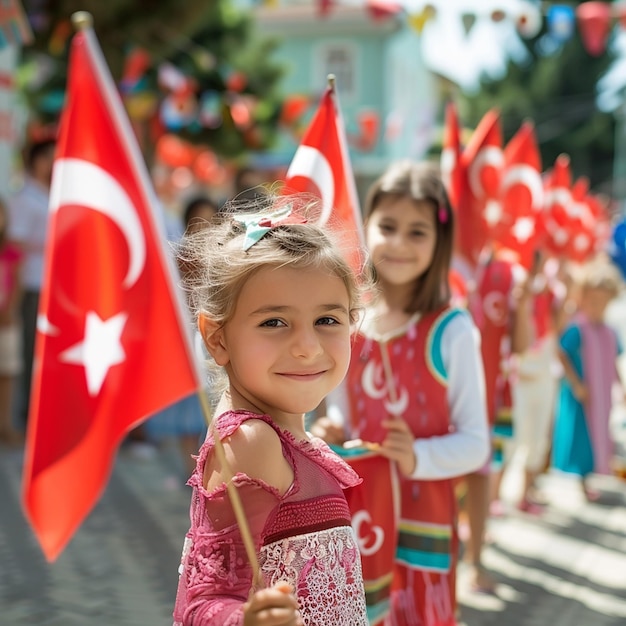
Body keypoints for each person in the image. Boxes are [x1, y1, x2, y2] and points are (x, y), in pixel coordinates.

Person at [172, 194, 369, 625]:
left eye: (328, 320)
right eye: (274, 322)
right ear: (217, 337)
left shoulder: (284, 435)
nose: (307, 347)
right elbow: (203, 604)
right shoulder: (250, 441)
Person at [313, 160, 490, 626]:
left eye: (417, 232)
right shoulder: (350, 325)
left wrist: (417, 458)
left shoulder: (453, 329)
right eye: (387, 227)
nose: (399, 243)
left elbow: (477, 444)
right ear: (367, 226)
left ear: (439, 241)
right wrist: (333, 432)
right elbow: (346, 421)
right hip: (362, 524)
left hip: (425, 531)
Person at [552, 259, 625, 501]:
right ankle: (579, 477)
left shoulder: (607, 332)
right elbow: (561, 352)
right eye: (593, 302)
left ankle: (589, 476)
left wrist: (621, 386)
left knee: (597, 435)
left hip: (600, 395)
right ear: (582, 299)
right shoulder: (577, 328)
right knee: (580, 437)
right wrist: (576, 384)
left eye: (603, 304)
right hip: (582, 394)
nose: (597, 308)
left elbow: (614, 360)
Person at [7, 138, 56, 426]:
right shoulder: (24, 198)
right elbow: (16, 248)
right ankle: (27, 413)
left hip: (49, 284)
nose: (51, 164)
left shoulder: (46, 193)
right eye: (47, 157)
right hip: (31, 283)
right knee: (28, 351)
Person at [0, 199, 23, 445]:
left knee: (7, 372)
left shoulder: (11, 250)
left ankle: (5, 424)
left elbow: (17, 283)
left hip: (7, 320)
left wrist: (10, 311)